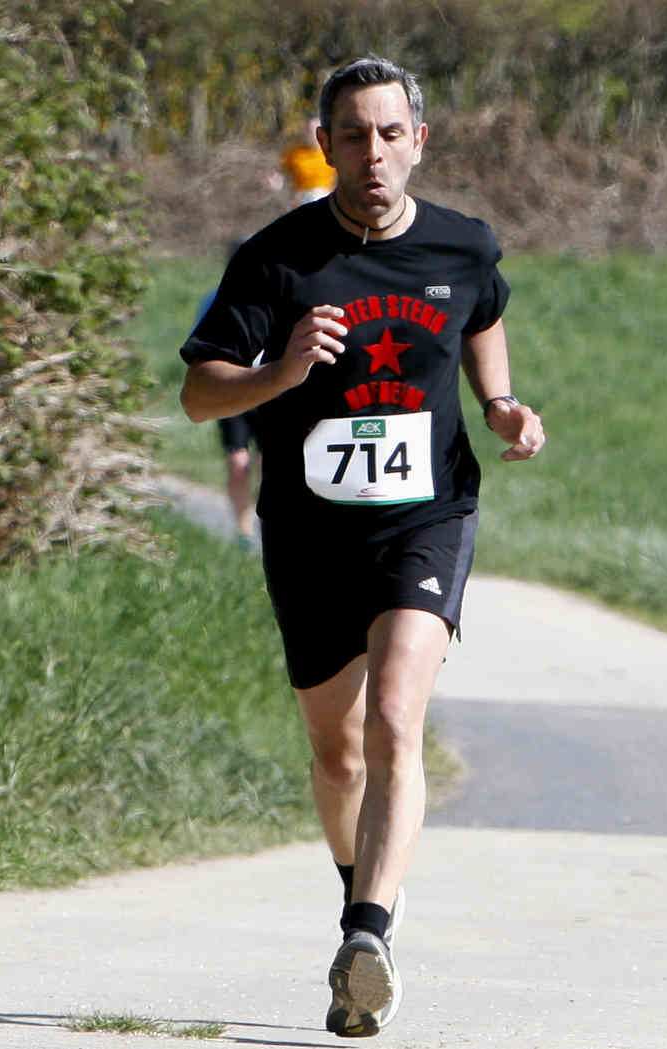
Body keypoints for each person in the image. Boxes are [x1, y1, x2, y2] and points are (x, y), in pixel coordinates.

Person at [178, 55, 545, 1037]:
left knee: (393, 718)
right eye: (353, 135)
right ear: (325, 145)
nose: (373, 153)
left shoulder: (464, 244)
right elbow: (200, 391)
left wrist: (501, 403)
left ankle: (367, 934)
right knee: (337, 753)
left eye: (390, 134)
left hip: (425, 517)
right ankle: (361, 899)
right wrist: (281, 370)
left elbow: (485, 314)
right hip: (308, 531)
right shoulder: (277, 259)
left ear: (418, 142)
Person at [193, 240, 263, 549]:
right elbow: (199, 351)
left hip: (269, 391)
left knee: (269, 463)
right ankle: (243, 532)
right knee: (238, 463)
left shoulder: (278, 299)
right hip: (233, 393)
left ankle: (270, 524)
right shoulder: (215, 302)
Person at [267, 116, 336, 207]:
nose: (312, 134)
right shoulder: (293, 154)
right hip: (302, 197)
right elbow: (281, 174)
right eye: (308, 131)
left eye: (315, 131)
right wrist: (276, 181)